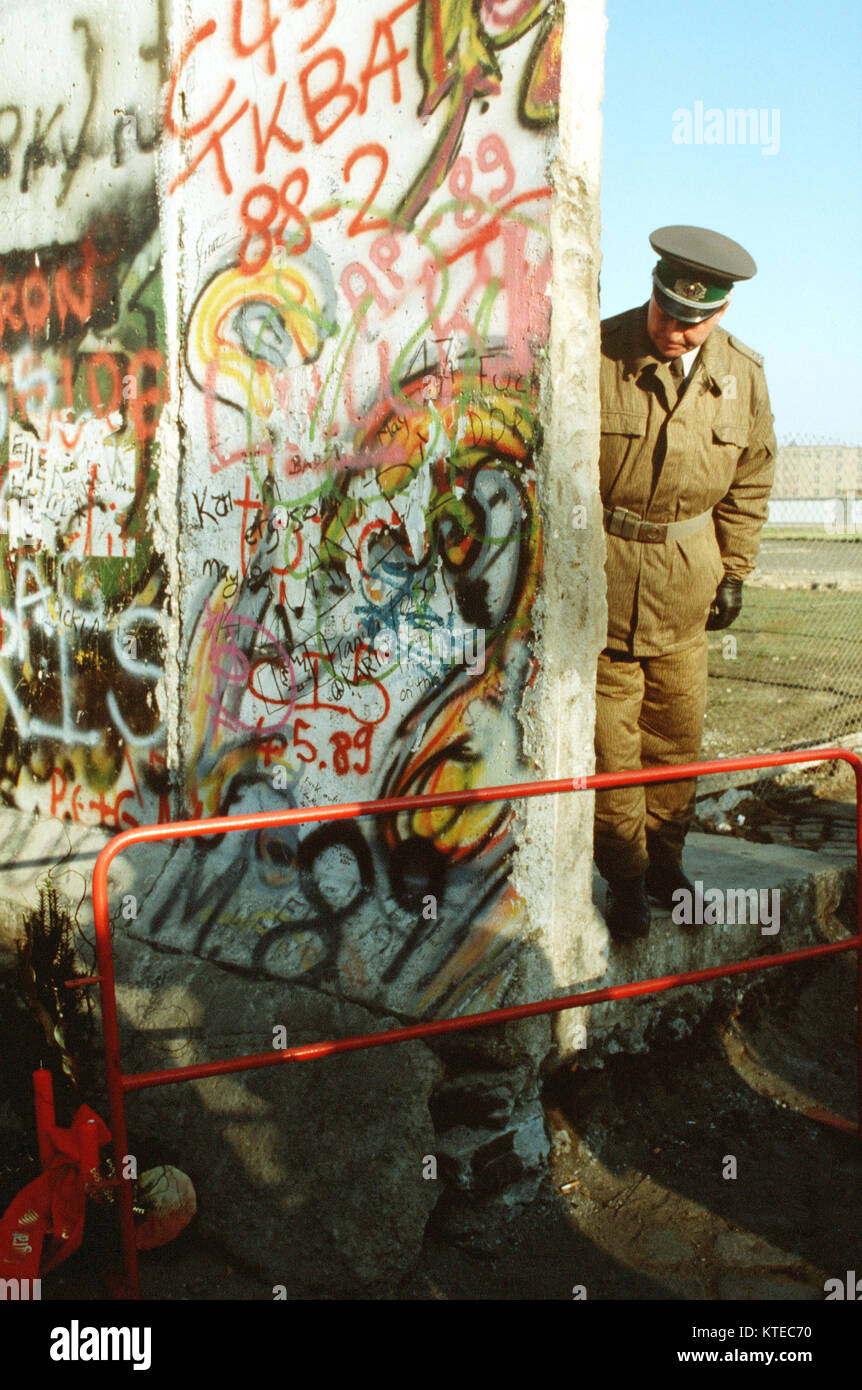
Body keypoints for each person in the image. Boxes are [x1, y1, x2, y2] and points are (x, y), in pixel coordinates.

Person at [596, 225, 777, 940]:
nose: (674, 329)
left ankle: (668, 865)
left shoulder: (744, 376)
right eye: (666, 309)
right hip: (603, 584)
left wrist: (734, 571)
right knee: (613, 754)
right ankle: (627, 880)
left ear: (721, 314)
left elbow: (751, 480)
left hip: (686, 588)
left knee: (674, 746)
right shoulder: (601, 353)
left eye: (692, 319)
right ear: (654, 291)